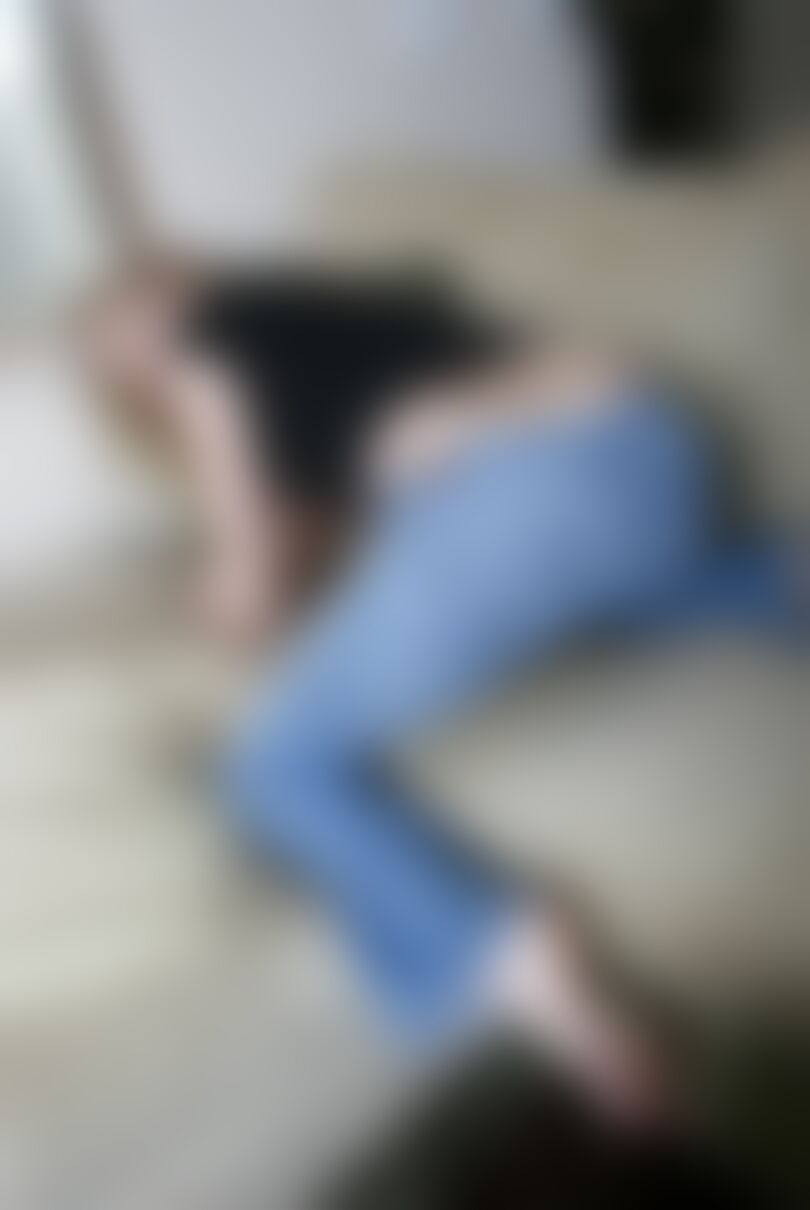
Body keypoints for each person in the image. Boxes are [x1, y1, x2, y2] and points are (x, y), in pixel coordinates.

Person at [85, 259, 803, 1127]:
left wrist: (218, 600)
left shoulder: (214, 341)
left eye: (131, 322)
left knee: (273, 765)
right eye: (122, 357)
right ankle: (778, 578)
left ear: (176, 292)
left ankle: (515, 958)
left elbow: (250, 580)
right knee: (635, 600)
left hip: (539, 474)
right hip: (646, 464)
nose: (144, 350)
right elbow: (355, 516)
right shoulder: (315, 341)